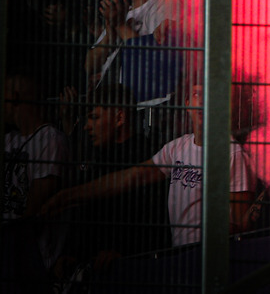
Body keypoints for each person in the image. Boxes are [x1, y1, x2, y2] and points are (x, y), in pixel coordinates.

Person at [43, 82, 254, 248]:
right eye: (198, 94)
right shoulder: (178, 147)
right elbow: (130, 177)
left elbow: (239, 227)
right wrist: (67, 196)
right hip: (178, 256)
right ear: (188, 102)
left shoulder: (232, 153)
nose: (204, 101)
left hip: (208, 260)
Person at [54, 83, 166, 283]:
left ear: (119, 118)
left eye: (94, 117)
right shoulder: (97, 159)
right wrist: (73, 253)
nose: (87, 126)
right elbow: (87, 215)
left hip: (133, 275)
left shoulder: (149, 160)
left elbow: (154, 220)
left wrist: (124, 252)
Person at [84, 0, 182, 106]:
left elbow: (154, 61)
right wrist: (109, 37)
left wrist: (120, 26)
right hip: (109, 107)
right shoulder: (121, 12)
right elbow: (89, 65)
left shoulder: (167, 4)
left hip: (143, 107)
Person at [2, 71, 69, 284]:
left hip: (31, 262)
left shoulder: (49, 139)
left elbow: (36, 207)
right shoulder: (8, 140)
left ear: (14, 97)